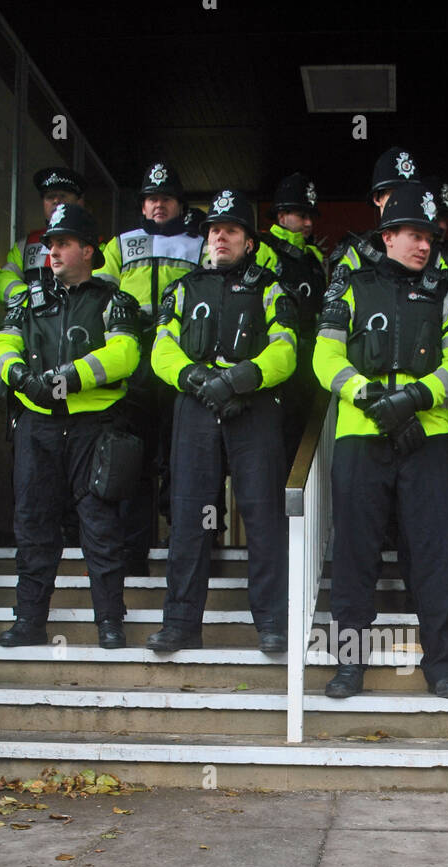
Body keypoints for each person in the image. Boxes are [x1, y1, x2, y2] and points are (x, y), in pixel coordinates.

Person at [313, 180, 448, 699]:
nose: (423, 244)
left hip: (426, 440)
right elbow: (325, 360)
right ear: (386, 237)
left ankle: (444, 666)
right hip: (361, 439)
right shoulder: (351, 287)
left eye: (429, 236)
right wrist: (369, 397)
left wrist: (414, 399)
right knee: (356, 555)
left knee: (436, 555)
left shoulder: (447, 296)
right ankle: (349, 666)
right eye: (411, 234)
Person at [148, 189, 296, 655]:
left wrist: (236, 380)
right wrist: (197, 378)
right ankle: (181, 623)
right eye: (214, 230)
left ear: (249, 241)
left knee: (264, 517)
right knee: (190, 518)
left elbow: (286, 349)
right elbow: (161, 349)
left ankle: (272, 623)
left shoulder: (270, 287)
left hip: (253, 409)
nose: (220, 237)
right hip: (195, 409)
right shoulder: (184, 288)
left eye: (231, 230)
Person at [0, 202, 140, 649]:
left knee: (101, 528)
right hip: (38, 427)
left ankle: (110, 622)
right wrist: (16, 375)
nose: (52, 252)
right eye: (49, 244)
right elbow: (0, 344)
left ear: (88, 250)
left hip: (94, 428)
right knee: (33, 524)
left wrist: (67, 378)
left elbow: (125, 353)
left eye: (63, 244)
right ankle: (29, 621)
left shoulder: (114, 300)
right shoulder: (26, 299)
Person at [95, 163, 204, 576]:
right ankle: (132, 556)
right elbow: (99, 294)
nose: (158, 205)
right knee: (133, 460)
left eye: (166, 198)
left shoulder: (199, 244)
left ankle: (186, 554)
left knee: (183, 462)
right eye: (151, 198)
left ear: (179, 204)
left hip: (180, 362)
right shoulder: (120, 244)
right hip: (135, 361)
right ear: (142, 203)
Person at [258, 173, 326, 463]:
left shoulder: (312, 258)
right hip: (273, 363)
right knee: (275, 447)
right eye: (302, 214)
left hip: (308, 364)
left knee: (304, 441)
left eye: (311, 215)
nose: (309, 223)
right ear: (282, 214)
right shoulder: (263, 249)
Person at [0, 166, 86, 307]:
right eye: (49, 197)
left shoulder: (94, 244)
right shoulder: (26, 245)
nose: (56, 201)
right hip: (33, 322)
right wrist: (31, 298)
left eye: (63, 196)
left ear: (80, 202)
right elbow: (2, 278)